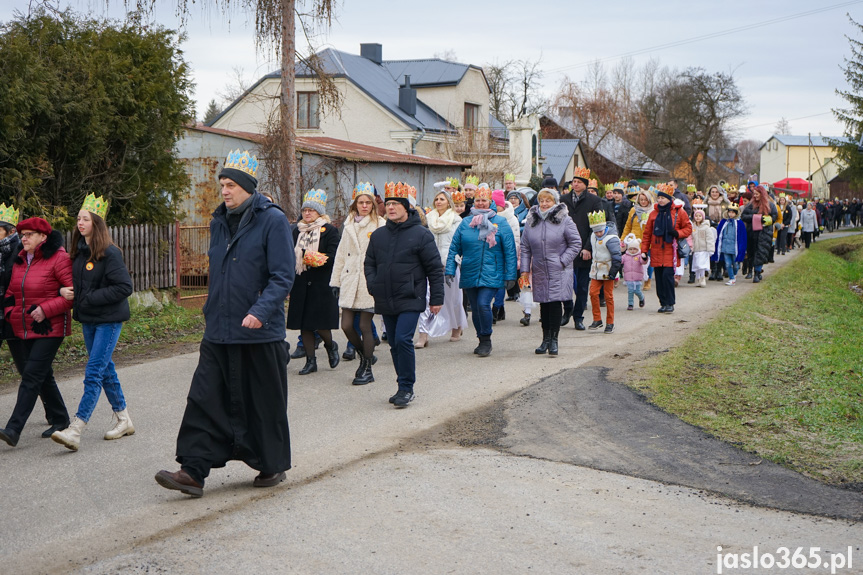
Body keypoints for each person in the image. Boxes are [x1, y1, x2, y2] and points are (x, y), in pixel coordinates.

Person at [155, 149, 294, 497]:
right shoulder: (219, 221)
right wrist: (210, 310)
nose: (225, 191)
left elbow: (282, 276)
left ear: (248, 187)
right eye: (222, 185)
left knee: (262, 402)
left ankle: (270, 464)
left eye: (231, 185)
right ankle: (192, 470)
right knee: (204, 398)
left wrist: (260, 312)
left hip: (260, 333)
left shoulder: (272, 220)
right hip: (218, 329)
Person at [51, 195, 135, 451]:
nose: (80, 223)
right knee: (106, 369)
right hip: (88, 319)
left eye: (85, 218)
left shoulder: (110, 253)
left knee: (94, 371)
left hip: (108, 321)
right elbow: (80, 287)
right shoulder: (78, 254)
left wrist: (88, 297)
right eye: (78, 218)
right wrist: (68, 293)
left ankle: (76, 428)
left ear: (96, 223)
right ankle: (124, 420)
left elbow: (124, 287)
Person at [365, 182, 444, 407]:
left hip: (411, 296)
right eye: (388, 204)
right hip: (385, 296)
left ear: (406, 207)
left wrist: (437, 298)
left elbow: (434, 268)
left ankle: (407, 387)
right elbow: (369, 263)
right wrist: (374, 284)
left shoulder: (421, 234)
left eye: (395, 204)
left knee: (402, 339)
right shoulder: (378, 235)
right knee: (393, 343)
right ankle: (401, 384)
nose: (390, 208)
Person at [0, 217, 73, 447]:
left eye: (29, 234)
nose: (24, 238)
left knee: (31, 375)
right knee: (42, 374)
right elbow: (11, 291)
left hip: (50, 327)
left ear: (43, 236)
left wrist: (44, 309)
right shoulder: (21, 259)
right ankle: (60, 418)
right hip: (24, 326)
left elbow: (71, 294)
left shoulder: (59, 257)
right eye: (22, 234)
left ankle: (13, 429)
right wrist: (12, 313)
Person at [445, 185, 517, 357]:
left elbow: (510, 250)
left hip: (493, 271)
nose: (481, 203)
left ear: (490, 202)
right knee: (476, 308)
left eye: (484, 200)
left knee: (483, 304)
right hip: (470, 270)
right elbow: (455, 248)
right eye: (478, 200)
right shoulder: (465, 223)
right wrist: (450, 269)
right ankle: (480, 338)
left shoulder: (500, 223)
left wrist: (511, 275)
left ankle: (486, 339)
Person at [330, 182, 386, 385]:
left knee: (364, 325)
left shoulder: (380, 224)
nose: (364, 206)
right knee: (346, 325)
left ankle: (367, 369)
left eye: (367, 202)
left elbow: (385, 255)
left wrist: (380, 279)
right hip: (349, 279)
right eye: (360, 202)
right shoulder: (348, 225)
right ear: (355, 205)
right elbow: (340, 255)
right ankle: (365, 355)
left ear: (372, 204)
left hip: (369, 281)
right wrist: (335, 282)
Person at [519, 188, 581, 355]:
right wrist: (524, 270)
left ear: (555, 202)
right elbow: (525, 247)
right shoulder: (532, 220)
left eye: (548, 200)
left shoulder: (565, 220)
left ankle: (554, 340)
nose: (544, 204)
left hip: (558, 270)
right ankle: (545, 339)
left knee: (554, 304)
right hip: (539, 269)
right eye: (542, 200)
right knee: (544, 306)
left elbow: (576, 243)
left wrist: (562, 261)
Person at [287, 189, 341, 375]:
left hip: (322, 283)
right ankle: (311, 361)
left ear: (319, 212)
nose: (307, 213)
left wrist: (314, 258)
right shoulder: (296, 231)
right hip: (301, 282)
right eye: (305, 210)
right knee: (305, 324)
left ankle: (330, 345)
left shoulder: (330, 231)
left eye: (311, 210)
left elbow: (335, 256)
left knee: (321, 323)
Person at [416, 188, 467, 347]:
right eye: (437, 199)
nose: (438, 202)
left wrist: (455, 261)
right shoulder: (428, 219)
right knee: (426, 299)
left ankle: (456, 327)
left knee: (453, 300)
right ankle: (423, 335)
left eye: (442, 199)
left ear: (448, 202)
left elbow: (459, 243)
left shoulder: (456, 220)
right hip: (430, 264)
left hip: (449, 264)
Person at [560, 166, 604, 330]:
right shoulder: (563, 200)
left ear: (585, 184)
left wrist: (588, 248)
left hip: (585, 248)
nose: (575, 184)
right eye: (574, 182)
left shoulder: (594, 201)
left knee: (582, 286)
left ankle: (578, 317)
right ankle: (567, 309)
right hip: (566, 248)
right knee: (565, 283)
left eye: (579, 182)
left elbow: (597, 227)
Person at [640, 185, 692, 313]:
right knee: (659, 279)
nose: (661, 200)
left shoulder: (679, 212)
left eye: (663, 198)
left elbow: (688, 228)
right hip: (657, 250)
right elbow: (647, 234)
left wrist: (677, 233)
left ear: (669, 199)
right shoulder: (653, 213)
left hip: (671, 251)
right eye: (659, 198)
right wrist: (644, 251)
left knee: (667, 278)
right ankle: (662, 303)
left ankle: (670, 303)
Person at [587, 210, 621, 333]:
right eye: (596, 231)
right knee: (593, 293)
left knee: (608, 296)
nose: (598, 234)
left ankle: (610, 322)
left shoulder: (611, 239)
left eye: (600, 231)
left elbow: (617, 257)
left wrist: (613, 272)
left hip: (608, 269)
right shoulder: (593, 236)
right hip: (596, 269)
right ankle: (597, 319)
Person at [491, 189, 520, 322]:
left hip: (503, 254)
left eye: (496, 204)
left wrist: (514, 258)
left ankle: (496, 308)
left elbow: (515, 239)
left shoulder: (511, 218)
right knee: (494, 283)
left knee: (500, 284)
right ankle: (500, 309)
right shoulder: (489, 216)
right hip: (491, 253)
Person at [740, 185, 778, 284]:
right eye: (754, 194)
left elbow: (774, 217)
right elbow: (743, 216)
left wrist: (765, 219)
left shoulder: (770, 205)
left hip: (764, 233)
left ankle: (757, 272)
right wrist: (755, 217)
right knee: (752, 252)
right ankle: (751, 270)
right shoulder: (750, 205)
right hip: (752, 232)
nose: (755, 196)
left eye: (757, 194)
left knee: (761, 252)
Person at [622, 187, 655, 290]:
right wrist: (622, 239)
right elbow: (628, 226)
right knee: (635, 262)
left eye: (645, 200)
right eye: (641, 200)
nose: (643, 202)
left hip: (648, 241)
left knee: (648, 261)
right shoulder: (633, 210)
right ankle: (636, 280)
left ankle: (648, 280)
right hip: (634, 241)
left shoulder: (653, 211)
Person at [713, 204, 747, 286]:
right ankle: (731, 278)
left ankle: (734, 274)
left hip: (735, 247)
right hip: (725, 246)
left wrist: (742, 247)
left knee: (735, 264)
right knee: (728, 264)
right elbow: (719, 233)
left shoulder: (739, 223)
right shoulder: (724, 222)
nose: (731, 214)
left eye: (733, 213)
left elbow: (742, 236)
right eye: (730, 212)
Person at [689, 208, 717, 288]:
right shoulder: (693, 227)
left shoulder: (706, 228)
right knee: (696, 265)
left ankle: (702, 278)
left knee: (702, 265)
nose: (698, 217)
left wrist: (710, 249)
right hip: (696, 250)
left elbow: (710, 239)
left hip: (704, 249)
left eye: (699, 216)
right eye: (696, 216)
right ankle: (698, 279)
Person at [621, 234, 646, 310]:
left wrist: (644, 258)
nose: (632, 251)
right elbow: (620, 260)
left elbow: (643, 262)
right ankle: (630, 304)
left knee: (637, 290)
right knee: (630, 291)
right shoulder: (625, 256)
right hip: (628, 277)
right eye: (630, 249)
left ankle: (641, 297)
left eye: (634, 249)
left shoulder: (639, 256)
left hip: (637, 277)